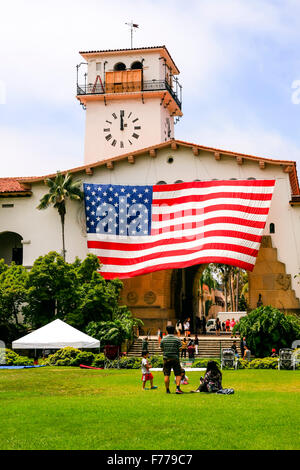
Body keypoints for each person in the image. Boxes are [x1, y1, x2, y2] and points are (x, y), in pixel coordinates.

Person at [160, 325, 184, 394]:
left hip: (166, 358)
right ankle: (178, 388)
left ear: (166, 331)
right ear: (174, 331)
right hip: (175, 358)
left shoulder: (163, 339)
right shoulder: (177, 339)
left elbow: (161, 348)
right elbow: (180, 348)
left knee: (166, 374)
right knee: (178, 374)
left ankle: (167, 390)